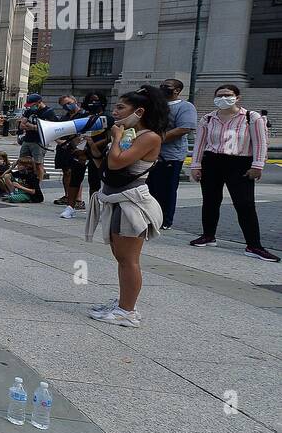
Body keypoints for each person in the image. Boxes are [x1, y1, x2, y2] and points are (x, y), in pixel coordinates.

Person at [84, 86, 169, 327]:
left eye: (121, 107)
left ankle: (127, 311)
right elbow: (108, 167)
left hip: (132, 204)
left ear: (139, 111)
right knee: (121, 257)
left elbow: (118, 162)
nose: (116, 111)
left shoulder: (149, 136)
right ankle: (123, 303)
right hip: (118, 201)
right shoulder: (132, 133)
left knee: (129, 260)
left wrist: (117, 138)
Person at [189, 85, 278, 261]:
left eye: (228, 95)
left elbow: (261, 142)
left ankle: (254, 245)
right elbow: (199, 143)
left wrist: (258, 165)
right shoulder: (207, 119)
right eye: (219, 96)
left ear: (237, 97)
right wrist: (195, 165)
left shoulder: (251, 117)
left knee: (244, 203)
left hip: (239, 162)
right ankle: (208, 235)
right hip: (212, 161)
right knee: (210, 200)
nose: (223, 99)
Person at [149, 78, 197, 230]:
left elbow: (184, 128)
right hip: (149, 154)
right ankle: (150, 217)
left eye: (167, 87)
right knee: (150, 188)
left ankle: (165, 220)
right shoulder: (155, 105)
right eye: (161, 86)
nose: (162, 88)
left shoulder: (185, 106)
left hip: (170, 155)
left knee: (166, 189)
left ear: (177, 90)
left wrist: (156, 139)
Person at [51, 95, 90, 219]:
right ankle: (68, 196)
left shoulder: (84, 115)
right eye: (64, 105)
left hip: (78, 148)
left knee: (75, 172)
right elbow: (57, 132)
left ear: (75, 101)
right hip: (65, 148)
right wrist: (59, 141)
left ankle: (77, 199)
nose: (67, 106)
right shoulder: (64, 117)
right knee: (66, 172)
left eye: (69, 103)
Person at [19, 93, 49, 182]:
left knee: (38, 163)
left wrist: (30, 126)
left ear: (39, 102)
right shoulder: (29, 111)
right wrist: (35, 127)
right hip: (27, 139)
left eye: (33, 105)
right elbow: (22, 125)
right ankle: (23, 180)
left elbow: (45, 128)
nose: (31, 107)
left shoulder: (48, 112)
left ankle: (38, 183)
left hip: (39, 141)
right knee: (22, 161)